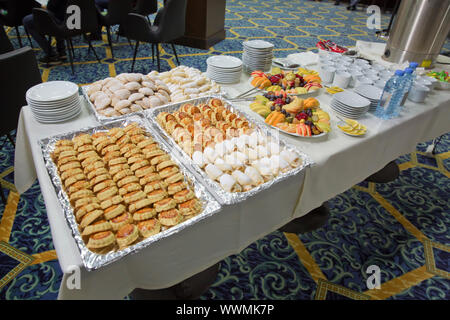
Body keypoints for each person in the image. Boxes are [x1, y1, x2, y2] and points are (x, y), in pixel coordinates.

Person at [23, 0, 68, 65]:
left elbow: (50, 7)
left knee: (27, 21)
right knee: (58, 12)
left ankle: (52, 55)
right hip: (76, 22)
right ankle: (62, 51)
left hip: (61, 22)